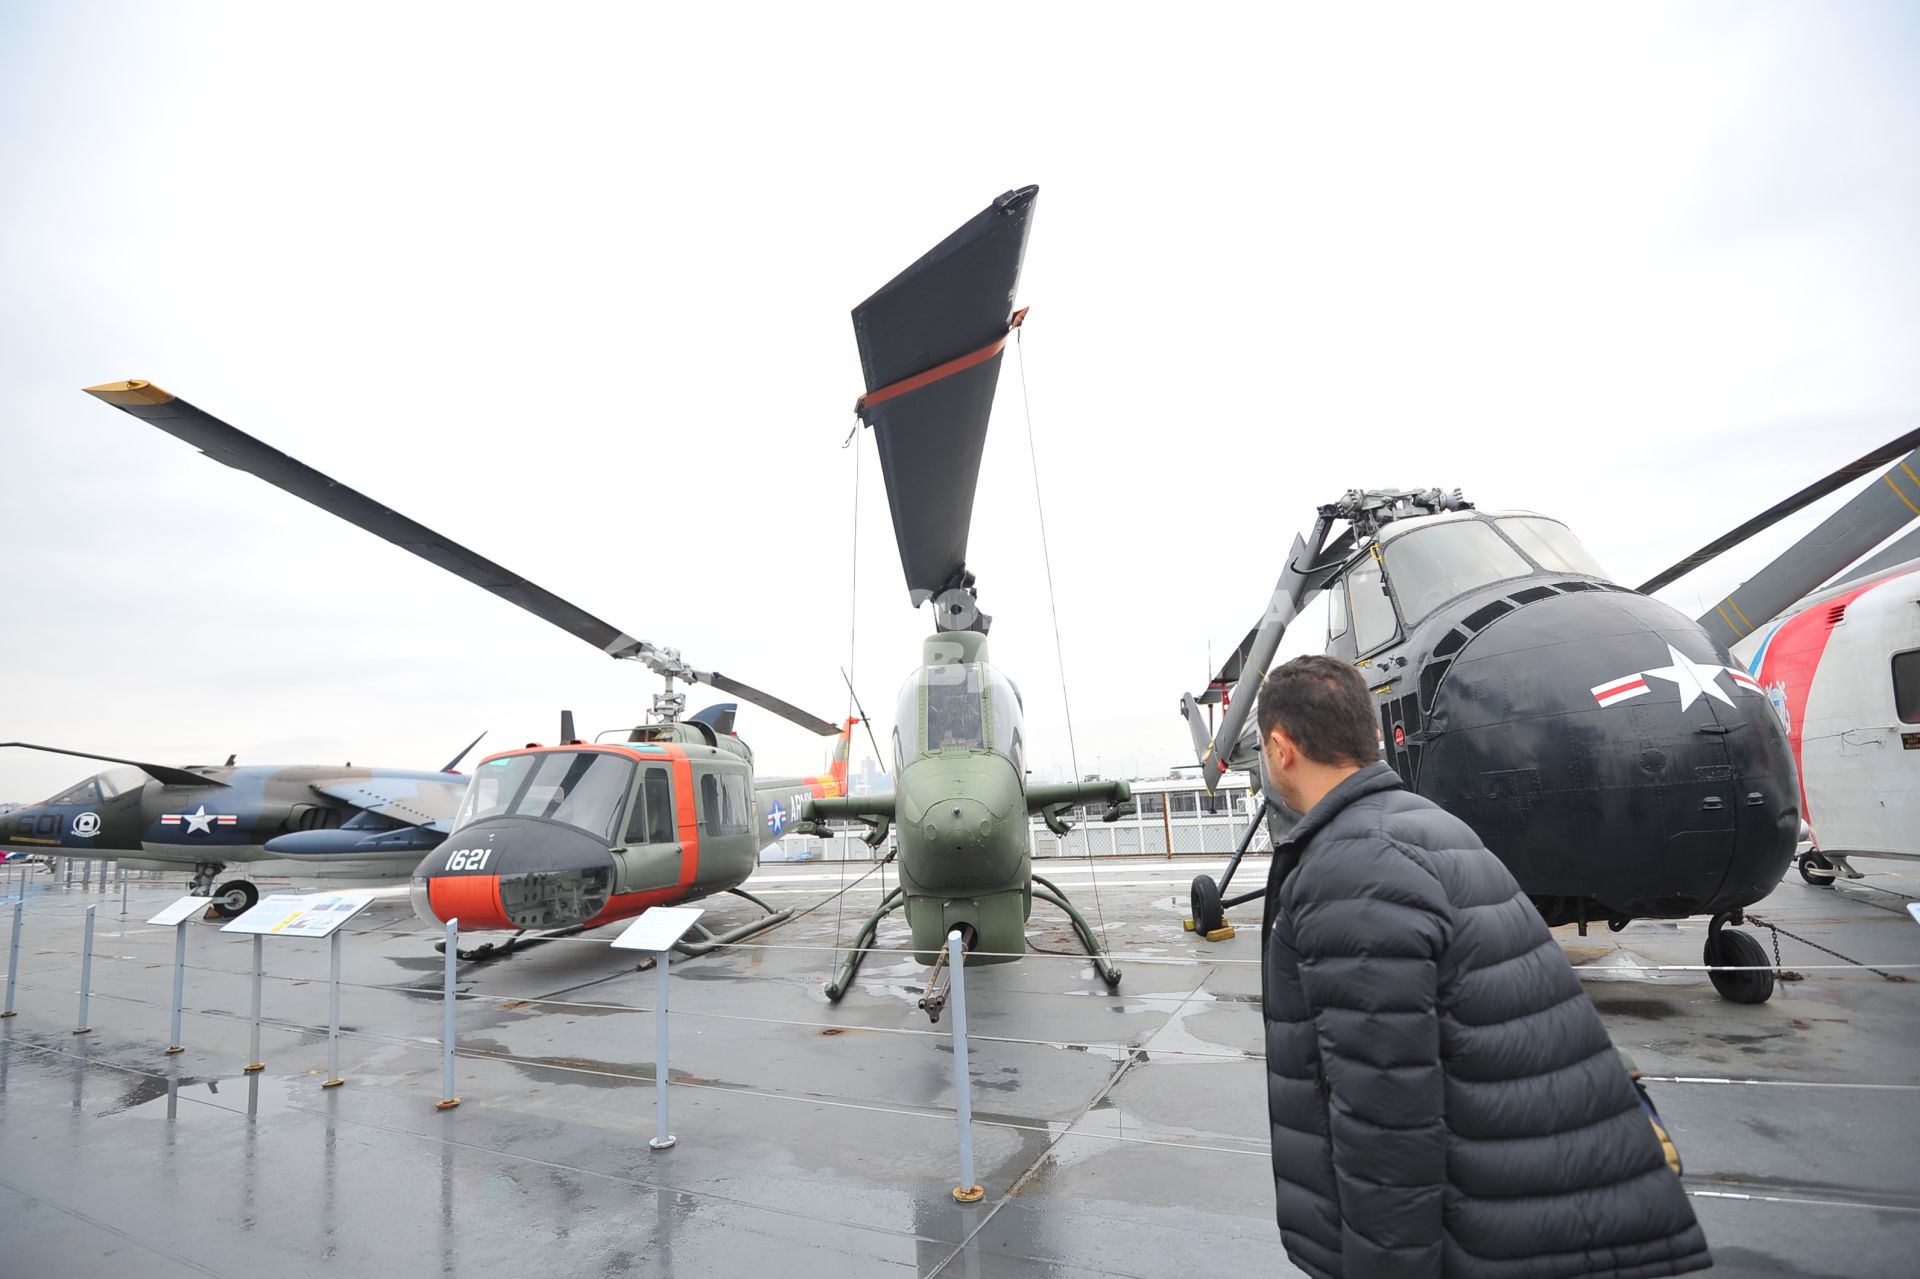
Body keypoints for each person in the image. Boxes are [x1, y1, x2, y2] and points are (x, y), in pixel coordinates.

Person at [1256, 654, 1709, 1279]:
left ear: (1281, 748)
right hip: (1545, 1210)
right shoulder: (1426, 828)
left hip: (1506, 1230)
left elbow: (1387, 1118)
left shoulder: (1354, 868)